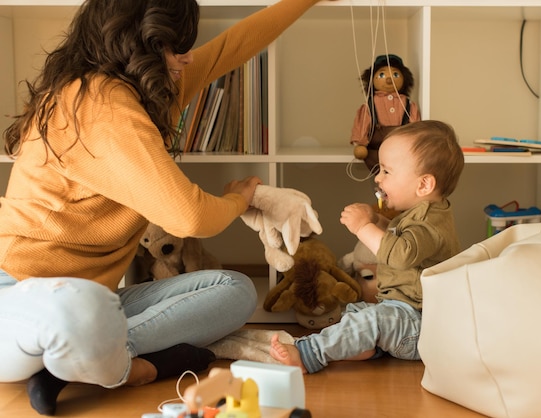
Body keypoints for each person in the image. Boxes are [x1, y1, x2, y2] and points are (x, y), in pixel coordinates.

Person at [0, 0, 331, 415]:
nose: (186, 57)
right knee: (81, 313)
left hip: (94, 300)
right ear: (137, 42)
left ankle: (73, 366)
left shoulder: (142, 92)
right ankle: (117, 363)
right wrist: (240, 198)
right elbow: (191, 216)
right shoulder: (103, 107)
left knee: (235, 290)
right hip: (24, 295)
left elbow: (233, 47)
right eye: (174, 46)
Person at [270, 120, 465, 373]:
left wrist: (363, 227)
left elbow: (400, 254)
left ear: (424, 184)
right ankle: (366, 346)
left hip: (420, 326)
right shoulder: (420, 214)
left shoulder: (429, 223)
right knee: (357, 312)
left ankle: (308, 354)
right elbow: (400, 238)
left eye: (387, 171)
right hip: (402, 313)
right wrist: (376, 220)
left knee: (371, 320)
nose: (378, 177)